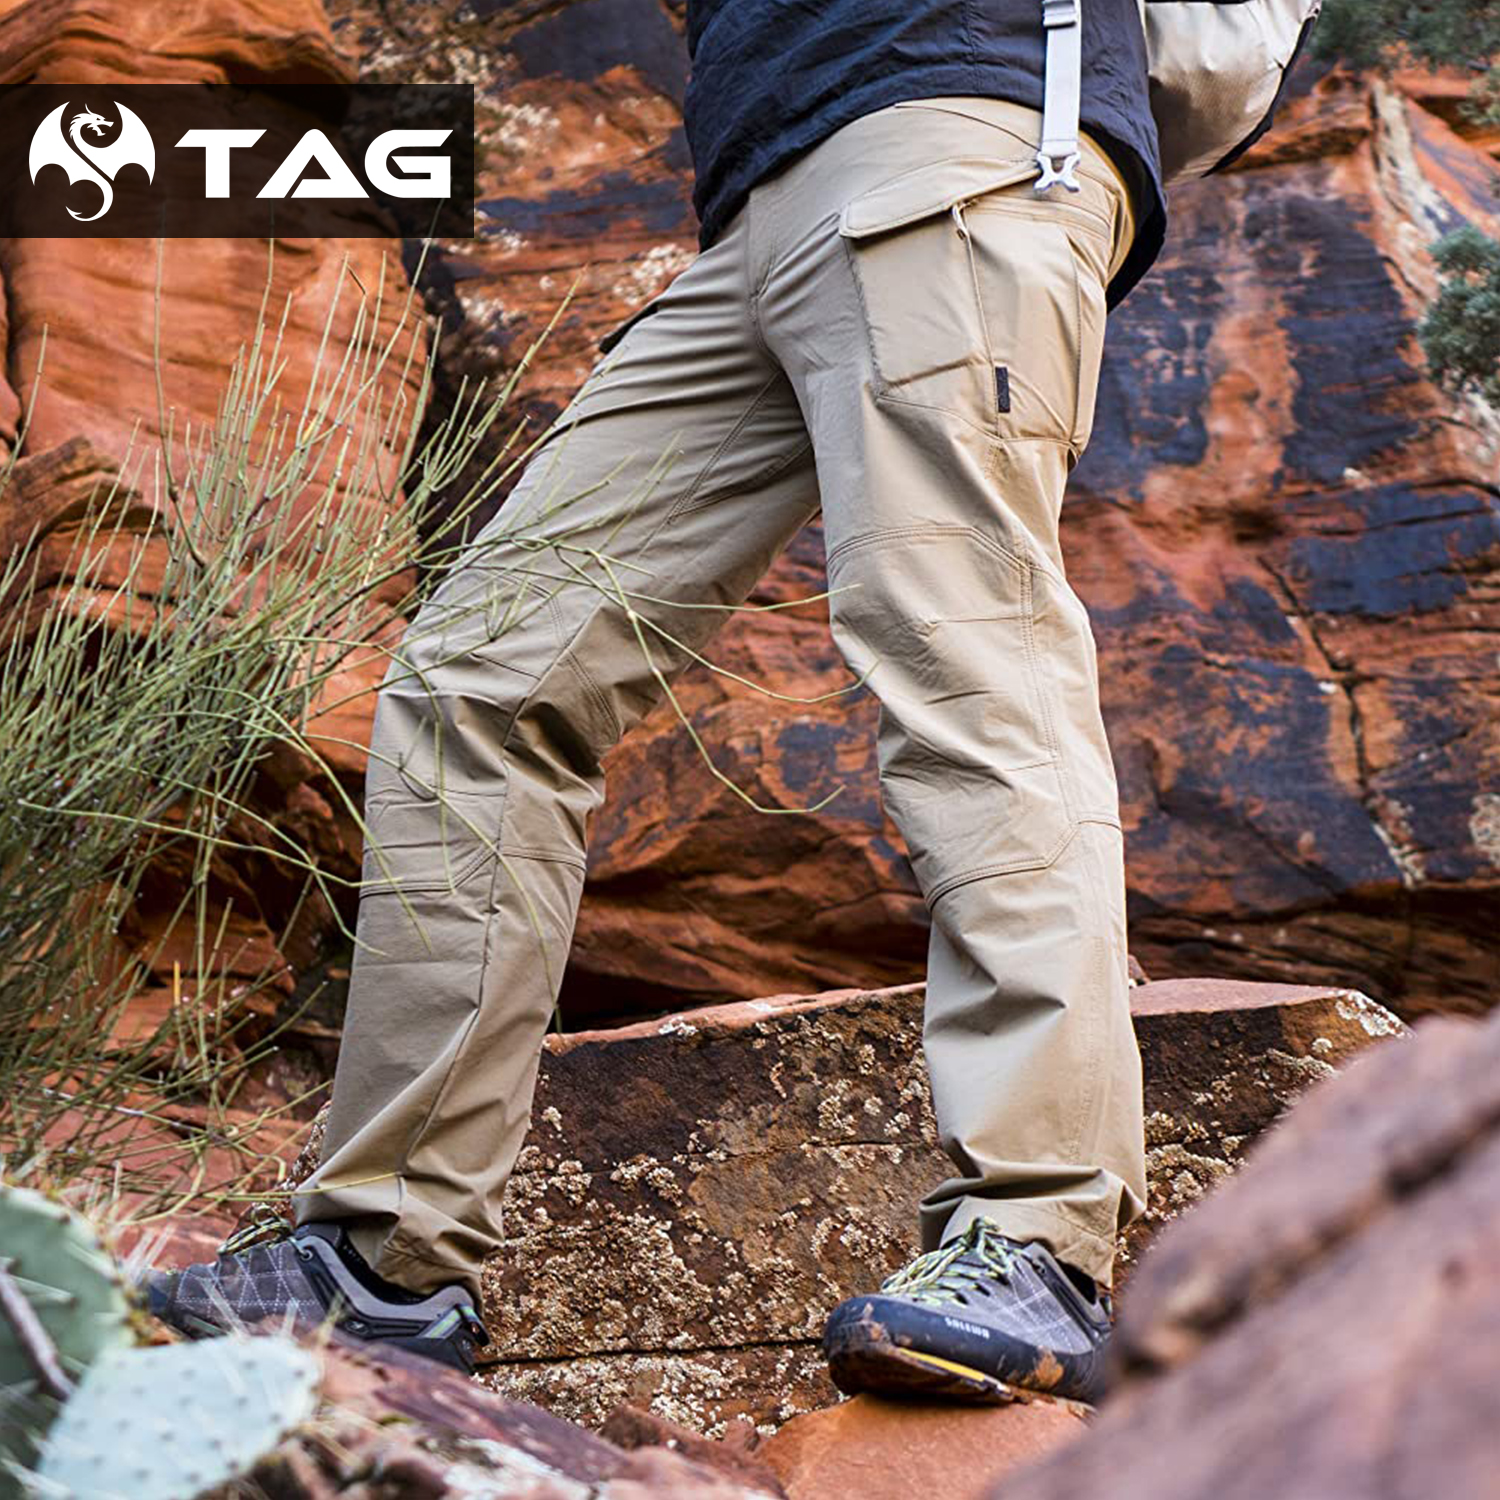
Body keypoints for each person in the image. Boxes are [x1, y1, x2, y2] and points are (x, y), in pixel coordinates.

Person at [150, 0, 1176, 1406]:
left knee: (968, 658)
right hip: (759, 208)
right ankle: (383, 1258)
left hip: (957, 143)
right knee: (483, 677)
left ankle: (1039, 1239)